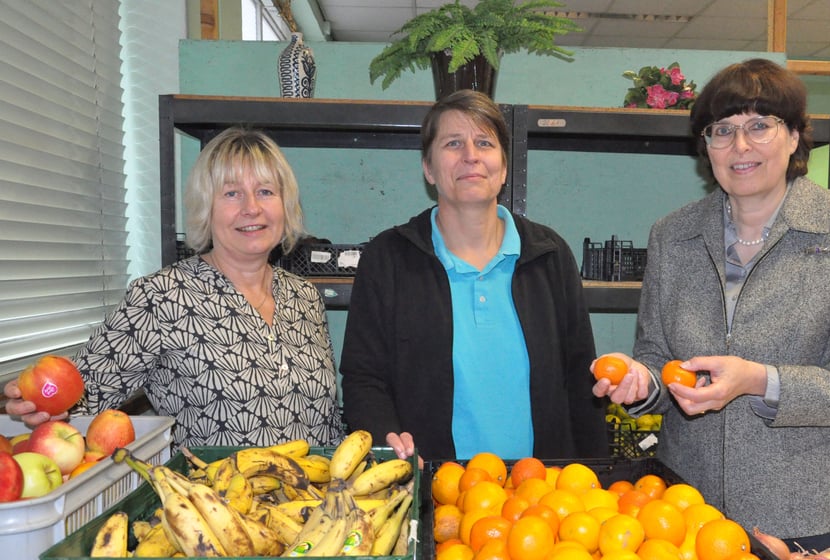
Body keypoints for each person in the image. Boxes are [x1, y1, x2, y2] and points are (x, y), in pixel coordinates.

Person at [593, 59, 830, 551]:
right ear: (706, 146)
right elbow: (657, 356)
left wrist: (760, 381)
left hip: (808, 514)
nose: (741, 146)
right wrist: (641, 383)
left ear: (796, 136)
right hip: (685, 514)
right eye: (723, 130)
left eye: (760, 125)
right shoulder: (673, 235)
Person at [4, 127, 345, 448]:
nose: (251, 207)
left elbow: (327, 420)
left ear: (285, 205)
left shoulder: (304, 297)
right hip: (210, 503)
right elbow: (79, 397)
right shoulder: (161, 298)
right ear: (205, 208)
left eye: (265, 191)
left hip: (315, 503)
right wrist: (39, 403)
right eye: (231, 193)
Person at [340, 89, 607, 462]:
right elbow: (363, 377)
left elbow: (582, 381)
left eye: (484, 142)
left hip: (541, 496)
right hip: (432, 489)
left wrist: (595, 479)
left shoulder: (549, 255)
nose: (471, 155)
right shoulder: (389, 258)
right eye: (453, 143)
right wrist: (389, 448)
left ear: (503, 167)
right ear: (428, 168)